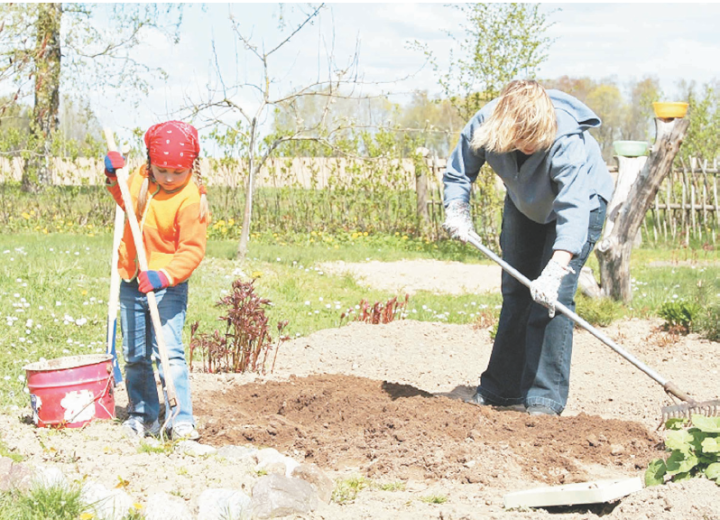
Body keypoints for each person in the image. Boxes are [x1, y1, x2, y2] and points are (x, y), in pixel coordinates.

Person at [443, 80, 614, 416]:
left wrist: (555, 269)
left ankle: (544, 400)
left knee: (553, 300)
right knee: (517, 291)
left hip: (581, 206)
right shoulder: (485, 125)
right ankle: (501, 390)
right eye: (525, 140)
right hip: (526, 206)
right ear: (506, 131)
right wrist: (457, 210)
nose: (533, 144)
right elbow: (459, 172)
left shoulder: (565, 139)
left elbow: (573, 209)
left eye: (538, 138)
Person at [104, 120, 210, 439]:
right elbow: (125, 200)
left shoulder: (190, 199)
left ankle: (181, 419)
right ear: (150, 163)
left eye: (178, 172)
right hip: (133, 277)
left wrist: (163, 275)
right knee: (135, 353)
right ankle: (143, 414)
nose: (169, 178)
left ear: (191, 166)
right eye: (162, 170)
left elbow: (192, 251)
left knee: (169, 353)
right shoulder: (143, 177)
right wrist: (114, 177)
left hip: (168, 285)